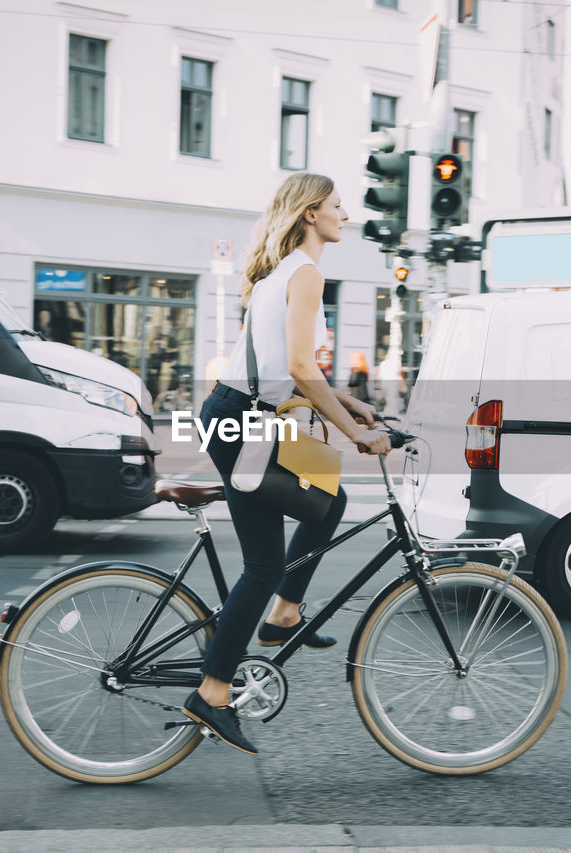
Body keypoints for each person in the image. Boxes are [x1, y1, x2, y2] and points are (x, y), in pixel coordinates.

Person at [182, 172, 391, 755]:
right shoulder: (305, 273)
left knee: (330, 503)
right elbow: (299, 367)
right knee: (263, 565)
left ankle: (283, 615)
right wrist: (354, 434)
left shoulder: (284, 273)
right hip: (242, 422)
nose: (345, 214)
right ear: (310, 214)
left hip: (242, 414)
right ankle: (215, 690)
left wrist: (348, 402)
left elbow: (284, 366)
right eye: (337, 206)